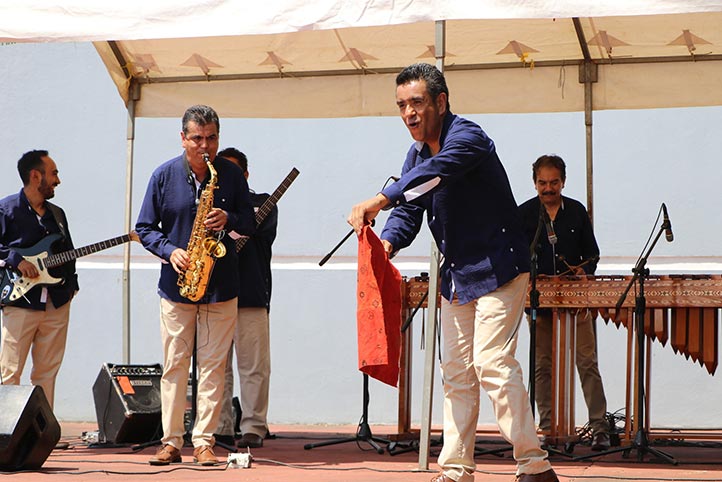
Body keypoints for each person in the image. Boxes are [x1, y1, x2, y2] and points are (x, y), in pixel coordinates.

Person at [348, 63, 558, 482]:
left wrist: (379, 197)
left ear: (441, 102)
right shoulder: (416, 155)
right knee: (457, 373)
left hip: (500, 268)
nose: (409, 113)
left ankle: (534, 465)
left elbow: (433, 173)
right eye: (402, 105)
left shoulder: (469, 138)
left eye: (417, 103)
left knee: (492, 362)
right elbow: (411, 203)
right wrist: (387, 242)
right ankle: (458, 467)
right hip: (458, 275)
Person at [135, 105, 255, 466]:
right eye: (197, 138)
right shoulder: (163, 176)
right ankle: (171, 440)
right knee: (174, 366)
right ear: (183, 138)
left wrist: (229, 218)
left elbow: (249, 222)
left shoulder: (231, 176)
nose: (206, 146)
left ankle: (204, 441)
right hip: (177, 286)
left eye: (212, 138)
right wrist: (170, 251)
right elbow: (144, 228)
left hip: (221, 286)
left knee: (213, 367)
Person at [517, 154, 610, 451]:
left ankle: (599, 427)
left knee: (587, 362)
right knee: (542, 365)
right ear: (534, 183)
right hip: (540, 303)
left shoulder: (577, 212)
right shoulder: (525, 215)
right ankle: (546, 428)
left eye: (553, 182)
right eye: (542, 183)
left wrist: (584, 270)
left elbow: (592, 254)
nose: (548, 189)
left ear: (563, 182)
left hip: (577, 300)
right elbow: (517, 258)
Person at [0, 150, 78, 411]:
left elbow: (69, 251)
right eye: (53, 173)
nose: (58, 180)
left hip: (56, 303)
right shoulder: (6, 209)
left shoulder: (57, 214)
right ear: (35, 176)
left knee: (47, 373)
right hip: (21, 301)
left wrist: (72, 286)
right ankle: (6, 434)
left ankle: (41, 433)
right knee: (9, 372)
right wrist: (15, 259)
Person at [216, 147, 277, 449]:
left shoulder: (261, 203)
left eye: (233, 172)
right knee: (216, 367)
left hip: (251, 295)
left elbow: (252, 226)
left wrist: (231, 222)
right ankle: (220, 426)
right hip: (214, 296)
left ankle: (253, 427)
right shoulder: (209, 206)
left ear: (245, 175)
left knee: (253, 366)